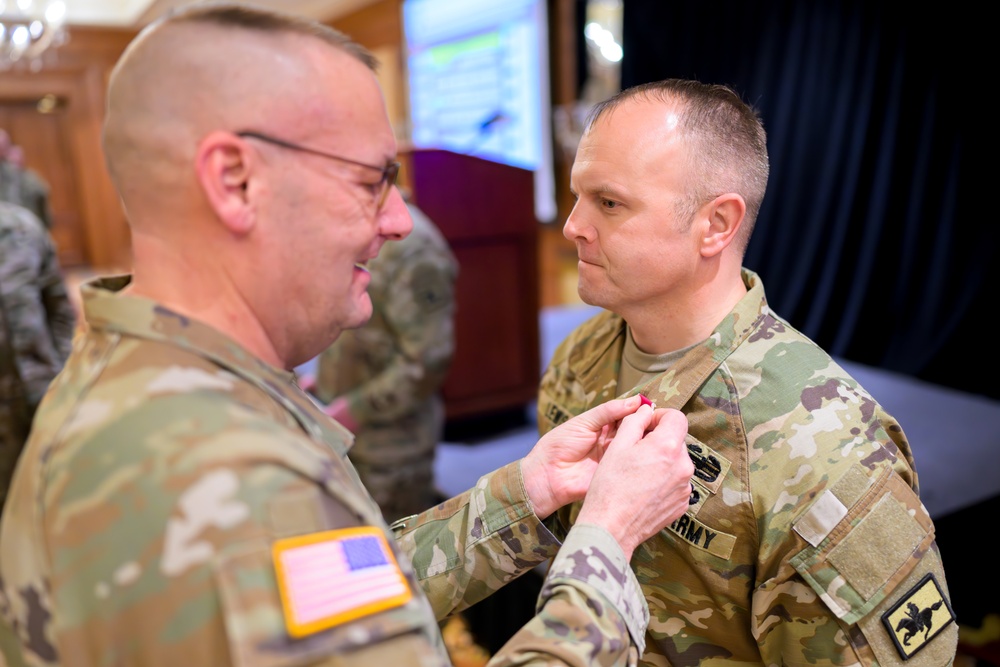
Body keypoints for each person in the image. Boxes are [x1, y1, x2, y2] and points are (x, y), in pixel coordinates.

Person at [0, 6, 696, 667]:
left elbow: (330, 587)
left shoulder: (157, 387)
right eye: (372, 180)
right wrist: (606, 542)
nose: (397, 219)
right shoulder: (226, 476)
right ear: (236, 181)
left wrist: (526, 491)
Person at [537, 79, 957, 665]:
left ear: (715, 225)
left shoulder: (825, 449)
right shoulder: (581, 355)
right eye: (577, 195)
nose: (572, 226)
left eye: (609, 203)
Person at [306, 199, 458, 524]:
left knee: (392, 552)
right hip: (344, 434)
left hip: (391, 450)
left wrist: (355, 409)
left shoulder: (414, 251)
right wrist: (324, 383)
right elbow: (360, 333)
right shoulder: (354, 227)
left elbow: (427, 361)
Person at [0, 200, 75, 511]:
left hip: (43, 399)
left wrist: (61, 370)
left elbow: (59, 309)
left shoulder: (22, 228)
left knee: (58, 501)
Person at [4, 144, 54, 229]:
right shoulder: (5, 181)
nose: (15, 159)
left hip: (32, 223)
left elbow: (42, 198)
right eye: (12, 156)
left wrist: (46, 223)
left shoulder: (32, 178)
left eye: (18, 156)